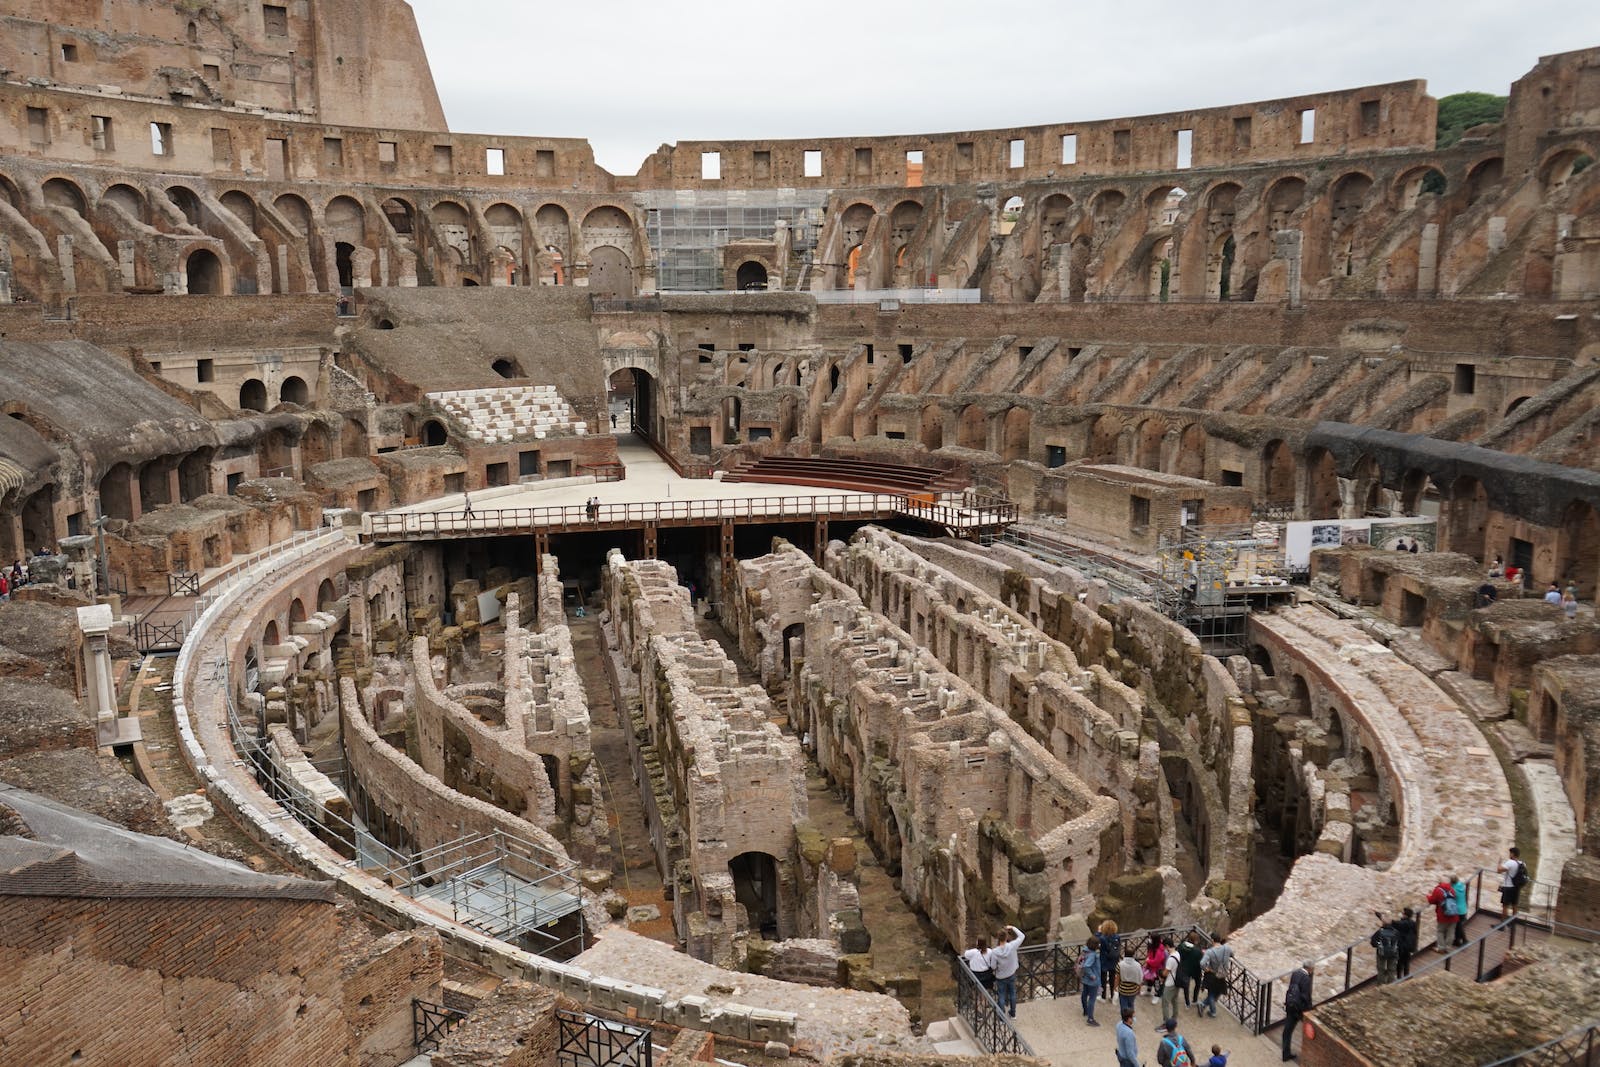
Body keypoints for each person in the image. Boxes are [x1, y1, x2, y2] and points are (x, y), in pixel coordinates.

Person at [988, 924, 1024, 1019]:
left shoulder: (995, 952)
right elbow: (1022, 936)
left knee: (1001, 996)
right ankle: (1013, 1014)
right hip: (1011, 974)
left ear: (998, 938)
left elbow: (993, 966)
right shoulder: (1012, 946)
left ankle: (1001, 1017)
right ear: (1006, 937)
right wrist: (1013, 927)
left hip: (1001, 977)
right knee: (1012, 993)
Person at [1281, 961, 1313, 1062]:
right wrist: (1309, 1009)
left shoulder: (1295, 973)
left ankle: (1285, 1053)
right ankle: (1307, 1056)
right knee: (1309, 1029)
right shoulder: (1306, 979)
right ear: (1310, 969)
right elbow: (1305, 996)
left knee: (1287, 1030)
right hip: (1299, 1009)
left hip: (1290, 1005)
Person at [1198, 934, 1232, 1018]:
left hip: (1212, 974)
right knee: (1217, 992)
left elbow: (1202, 963)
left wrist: (1206, 969)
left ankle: (1205, 1006)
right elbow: (1232, 955)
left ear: (1212, 940)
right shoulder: (1226, 948)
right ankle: (1210, 1010)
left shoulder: (1209, 951)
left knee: (1212, 994)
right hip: (1222, 974)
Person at [1428, 875, 1459, 951]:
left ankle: (1441, 947)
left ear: (1439, 882)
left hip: (1443, 915)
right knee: (1451, 932)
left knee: (1440, 931)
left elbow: (1432, 900)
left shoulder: (1438, 890)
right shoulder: (1452, 889)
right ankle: (1448, 947)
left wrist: (1428, 896)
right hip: (1454, 914)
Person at [1078, 935, 1102, 1025]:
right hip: (1092, 980)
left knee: (1084, 994)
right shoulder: (1092, 955)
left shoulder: (1085, 951)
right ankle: (1090, 1018)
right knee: (1092, 998)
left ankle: (1085, 1011)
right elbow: (1087, 966)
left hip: (1085, 978)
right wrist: (1092, 975)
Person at [1499, 846, 1527, 917]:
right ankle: (1513, 925)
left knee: (1505, 906)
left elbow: (1499, 870)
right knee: (1515, 905)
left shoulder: (1510, 862)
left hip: (1508, 887)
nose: (1509, 854)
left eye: (1510, 853)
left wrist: (1499, 863)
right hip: (1517, 887)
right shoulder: (1523, 863)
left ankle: (1502, 925)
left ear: (1512, 854)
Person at [1370, 916, 1399, 985]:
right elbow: (1400, 942)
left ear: (1383, 924)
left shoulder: (1379, 932)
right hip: (1393, 953)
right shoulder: (1396, 932)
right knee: (1392, 969)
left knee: (1381, 969)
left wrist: (1378, 946)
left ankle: (1381, 984)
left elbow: (1373, 942)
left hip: (1381, 953)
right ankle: (1391, 984)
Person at [1158, 945, 1181, 1031]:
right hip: (1177, 981)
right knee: (1174, 1000)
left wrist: (1160, 973)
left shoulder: (1170, 959)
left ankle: (1166, 1023)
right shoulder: (1178, 954)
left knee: (1165, 1002)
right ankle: (1174, 1018)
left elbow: (1165, 973)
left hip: (1170, 983)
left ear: (1167, 946)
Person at [1098, 920, 1121, 1002]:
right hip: (1114, 960)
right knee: (1112, 978)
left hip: (1104, 961)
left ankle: (1103, 996)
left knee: (1103, 980)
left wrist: (1099, 932)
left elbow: (1099, 945)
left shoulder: (1102, 938)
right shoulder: (1117, 937)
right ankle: (1112, 995)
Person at [1177, 935, 1203, 1006]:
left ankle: (1187, 1002)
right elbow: (1201, 961)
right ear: (1195, 941)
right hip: (1196, 969)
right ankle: (1195, 1000)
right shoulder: (1197, 951)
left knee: (1186, 986)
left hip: (1184, 968)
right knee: (1197, 984)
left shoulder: (1181, 946)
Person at [1117, 945, 1143, 1017]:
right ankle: (1130, 1017)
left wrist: (1115, 987)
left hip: (1123, 989)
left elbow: (1117, 978)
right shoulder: (1138, 965)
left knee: (1123, 1005)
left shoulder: (1120, 965)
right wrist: (1139, 989)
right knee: (1131, 1004)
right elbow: (1140, 978)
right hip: (1133, 989)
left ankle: (1124, 1018)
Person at [1394, 907, 1419, 978]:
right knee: (1406, 961)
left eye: (1403, 913)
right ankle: (1406, 975)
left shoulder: (1402, 923)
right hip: (1409, 945)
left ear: (1405, 915)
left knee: (1399, 962)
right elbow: (1415, 934)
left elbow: (1393, 924)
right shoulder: (1413, 923)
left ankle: (1399, 977)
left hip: (1402, 945)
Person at [1451, 875, 1470, 946]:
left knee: (1458, 926)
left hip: (1457, 911)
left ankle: (1462, 941)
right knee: (1459, 926)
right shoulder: (1461, 886)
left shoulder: (1453, 889)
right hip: (1464, 909)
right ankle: (1458, 940)